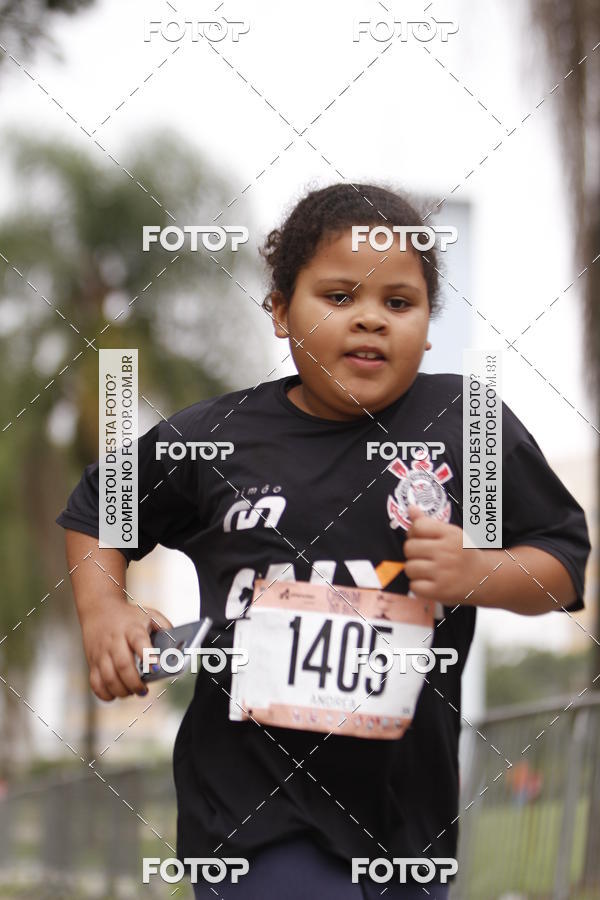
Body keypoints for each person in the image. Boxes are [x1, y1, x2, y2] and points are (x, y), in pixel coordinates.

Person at [56, 182, 591, 899]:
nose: (370, 320)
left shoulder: (466, 421)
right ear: (280, 311)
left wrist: (476, 574)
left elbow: (560, 563)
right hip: (251, 808)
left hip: (409, 820)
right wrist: (104, 610)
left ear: (429, 326)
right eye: (339, 297)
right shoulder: (217, 437)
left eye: (398, 303)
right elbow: (99, 505)